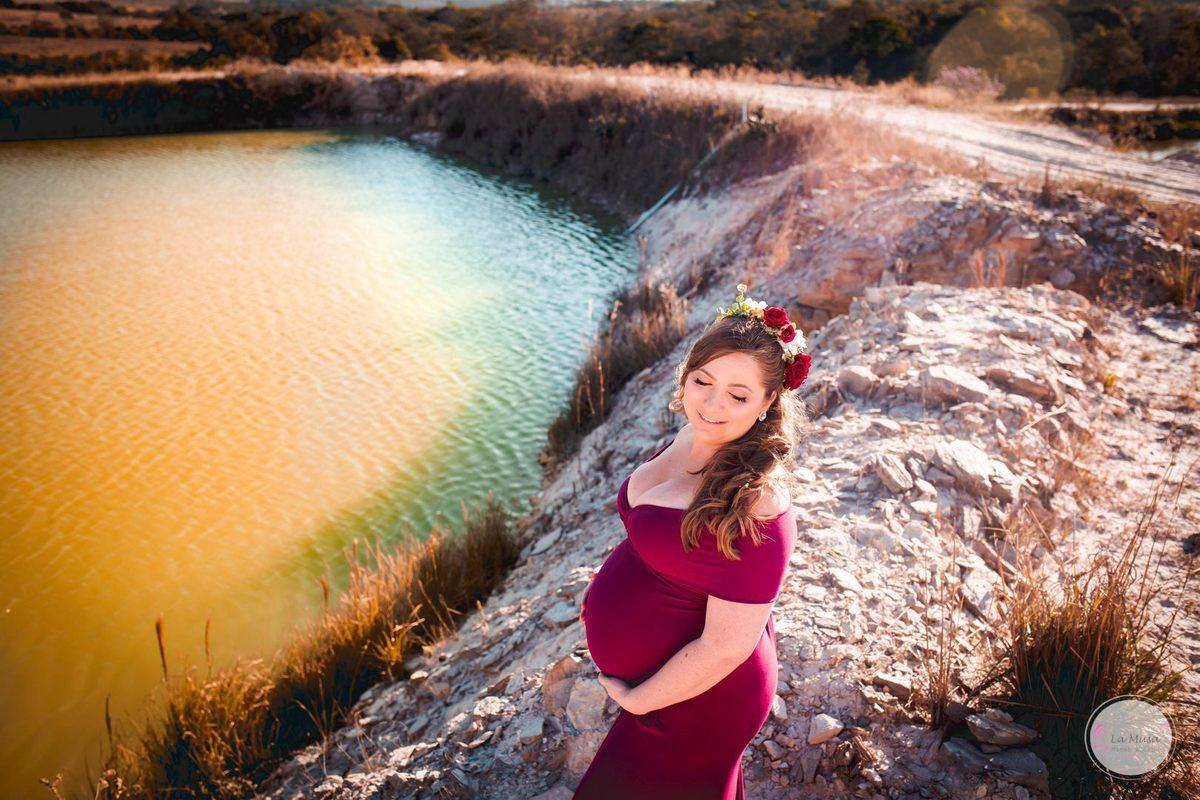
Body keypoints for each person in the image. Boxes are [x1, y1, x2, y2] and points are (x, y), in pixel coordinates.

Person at [571, 283, 813, 800]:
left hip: (702, 699)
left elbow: (727, 646)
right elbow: (668, 549)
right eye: (703, 380)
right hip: (669, 686)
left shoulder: (758, 504)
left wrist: (641, 701)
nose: (712, 404)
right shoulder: (696, 437)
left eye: (739, 394)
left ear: (770, 400)